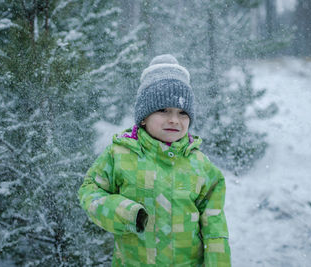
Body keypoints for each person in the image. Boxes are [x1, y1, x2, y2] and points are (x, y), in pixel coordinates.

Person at [78, 54, 231, 266]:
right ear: (143, 116)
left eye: (182, 113)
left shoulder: (200, 164)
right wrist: (125, 212)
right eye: (163, 110)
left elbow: (215, 225)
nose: (174, 120)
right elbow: (89, 191)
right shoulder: (120, 154)